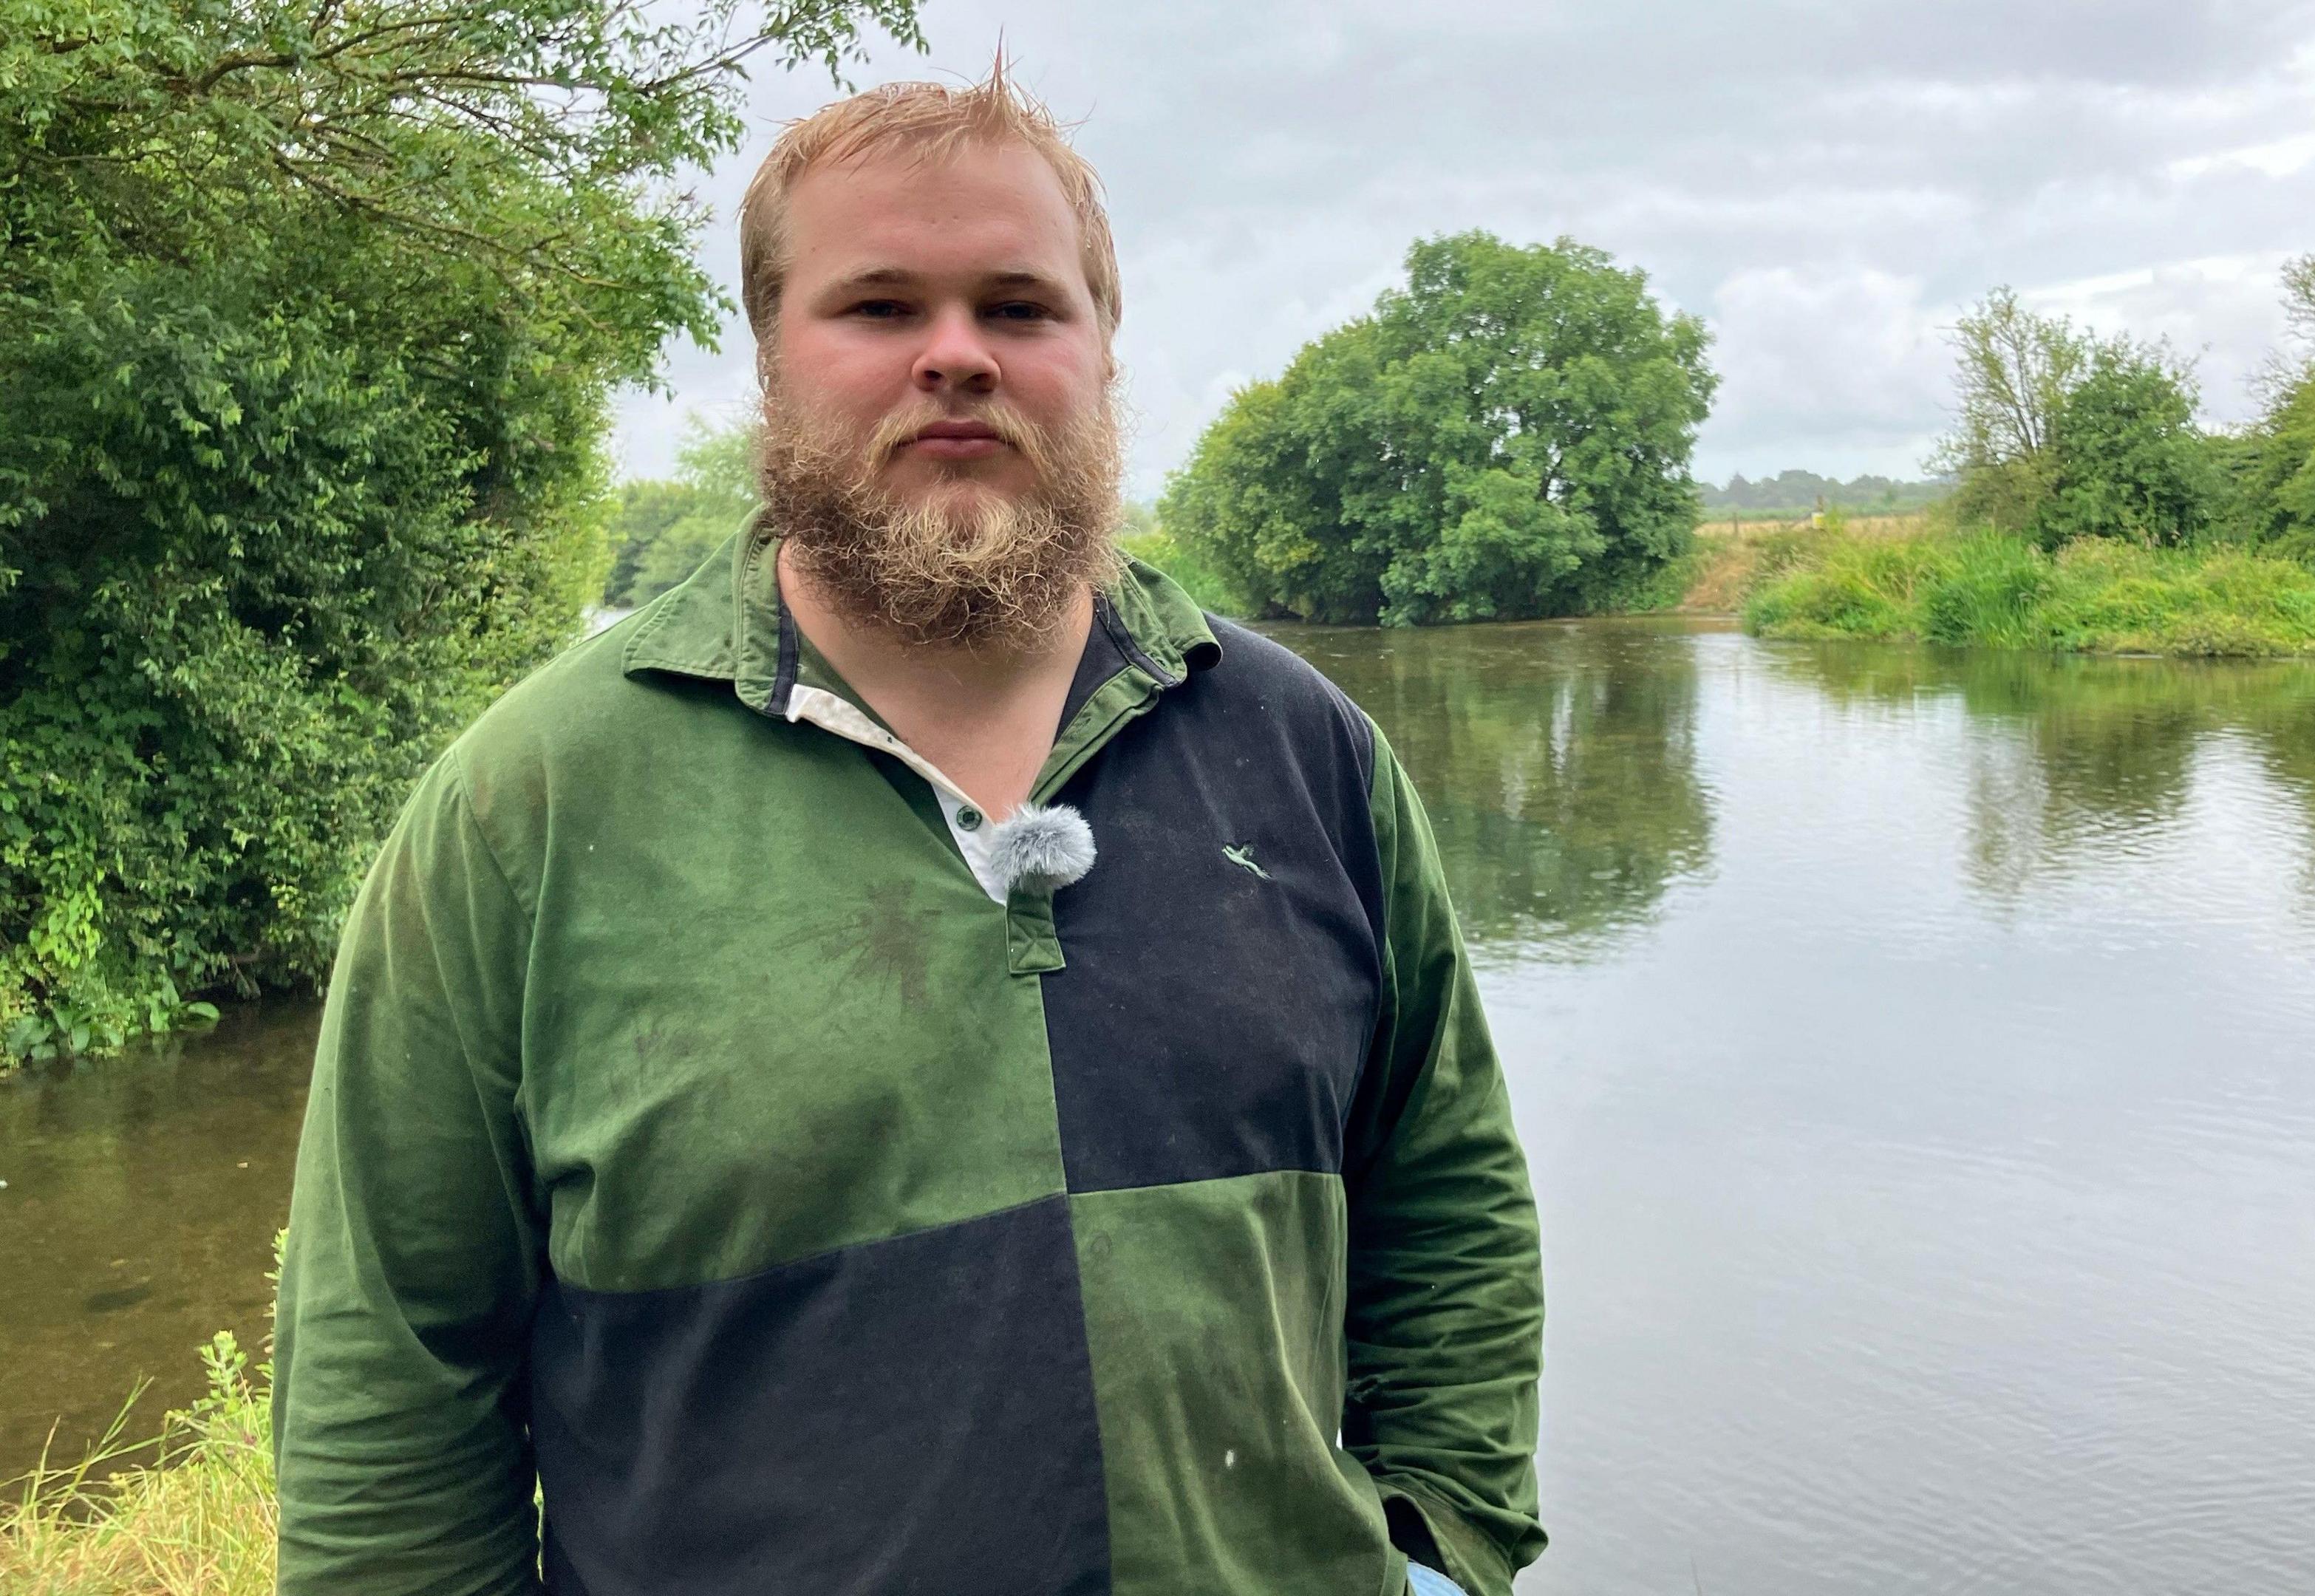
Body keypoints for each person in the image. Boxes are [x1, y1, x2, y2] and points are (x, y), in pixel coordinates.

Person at [270, 67, 1544, 1596]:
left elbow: (1448, 1194)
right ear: (770, 358)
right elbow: (390, 1375)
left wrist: (1437, 1548)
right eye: (880, 308)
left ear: (1101, 347)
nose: (957, 356)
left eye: (1019, 307)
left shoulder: (1305, 750)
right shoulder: (524, 805)